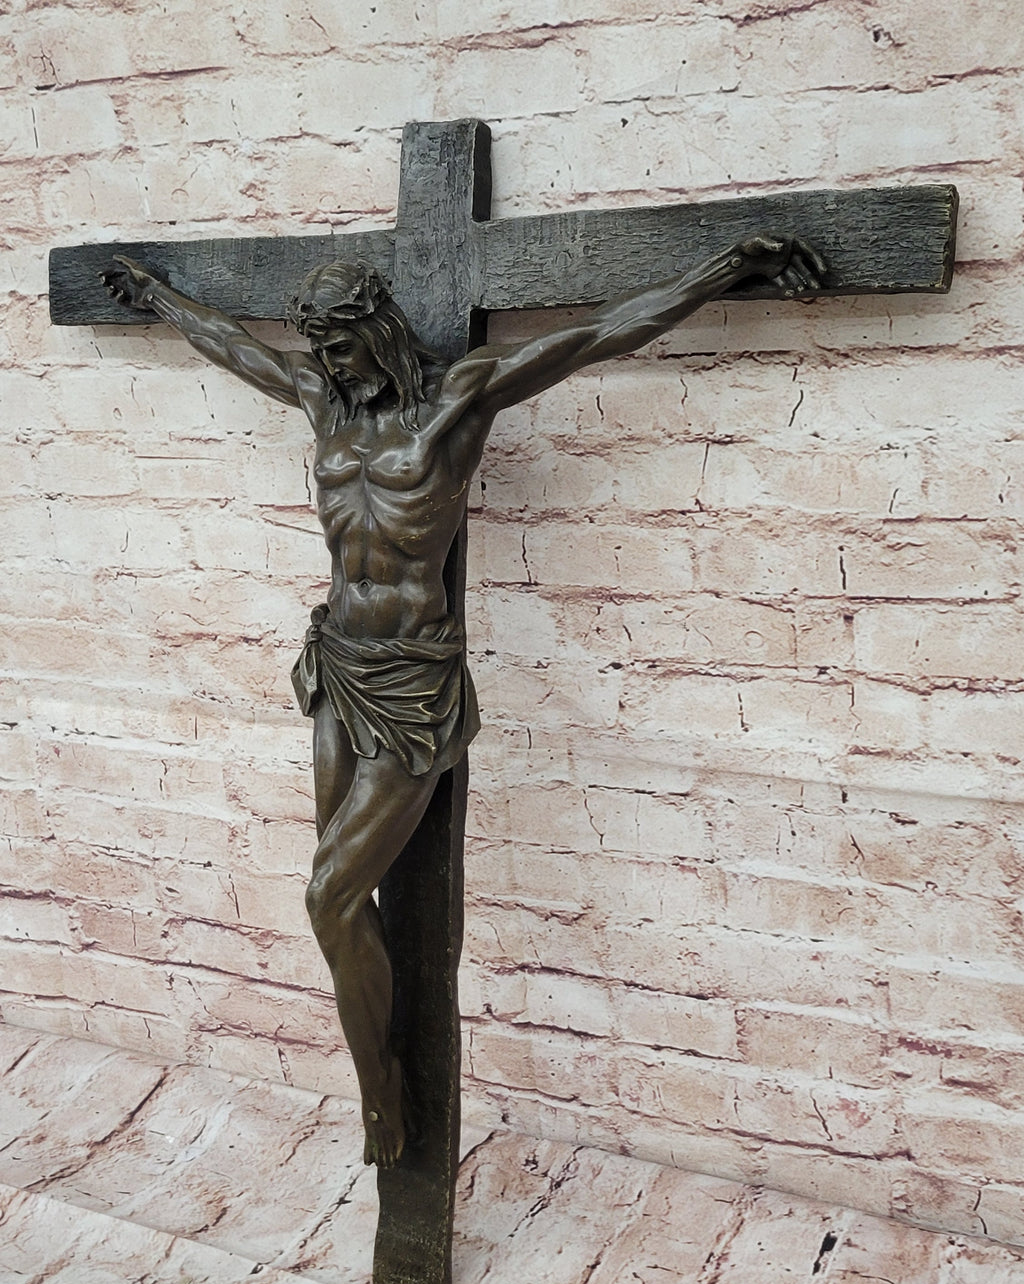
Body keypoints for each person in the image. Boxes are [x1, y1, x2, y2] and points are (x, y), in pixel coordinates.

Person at [102, 233, 826, 1168]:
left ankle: (381, 1097)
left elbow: (599, 334)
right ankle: (383, 1068)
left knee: (328, 895)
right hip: (338, 663)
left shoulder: (459, 398)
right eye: (318, 348)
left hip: (413, 680)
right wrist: (158, 296)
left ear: (377, 327)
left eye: (341, 344)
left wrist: (727, 268)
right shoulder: (325, 400)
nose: (330, 363)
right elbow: (235, 348)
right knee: (341, 901)